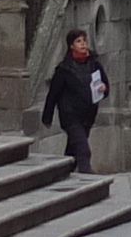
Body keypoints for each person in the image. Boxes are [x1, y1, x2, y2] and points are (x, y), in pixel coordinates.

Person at [41, 27, 108, 176]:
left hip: (88, 114)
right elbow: (53, 94)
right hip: (70, 115)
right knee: (83, 150)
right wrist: (47, 116)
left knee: (73, 150)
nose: (83, 44)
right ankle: (88, 178)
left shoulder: (94, 64)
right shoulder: (64, 69)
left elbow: (105, 84)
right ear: (71, 45)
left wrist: (104, 88)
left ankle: (62, 174)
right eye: (79, 41)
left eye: (84, 40)